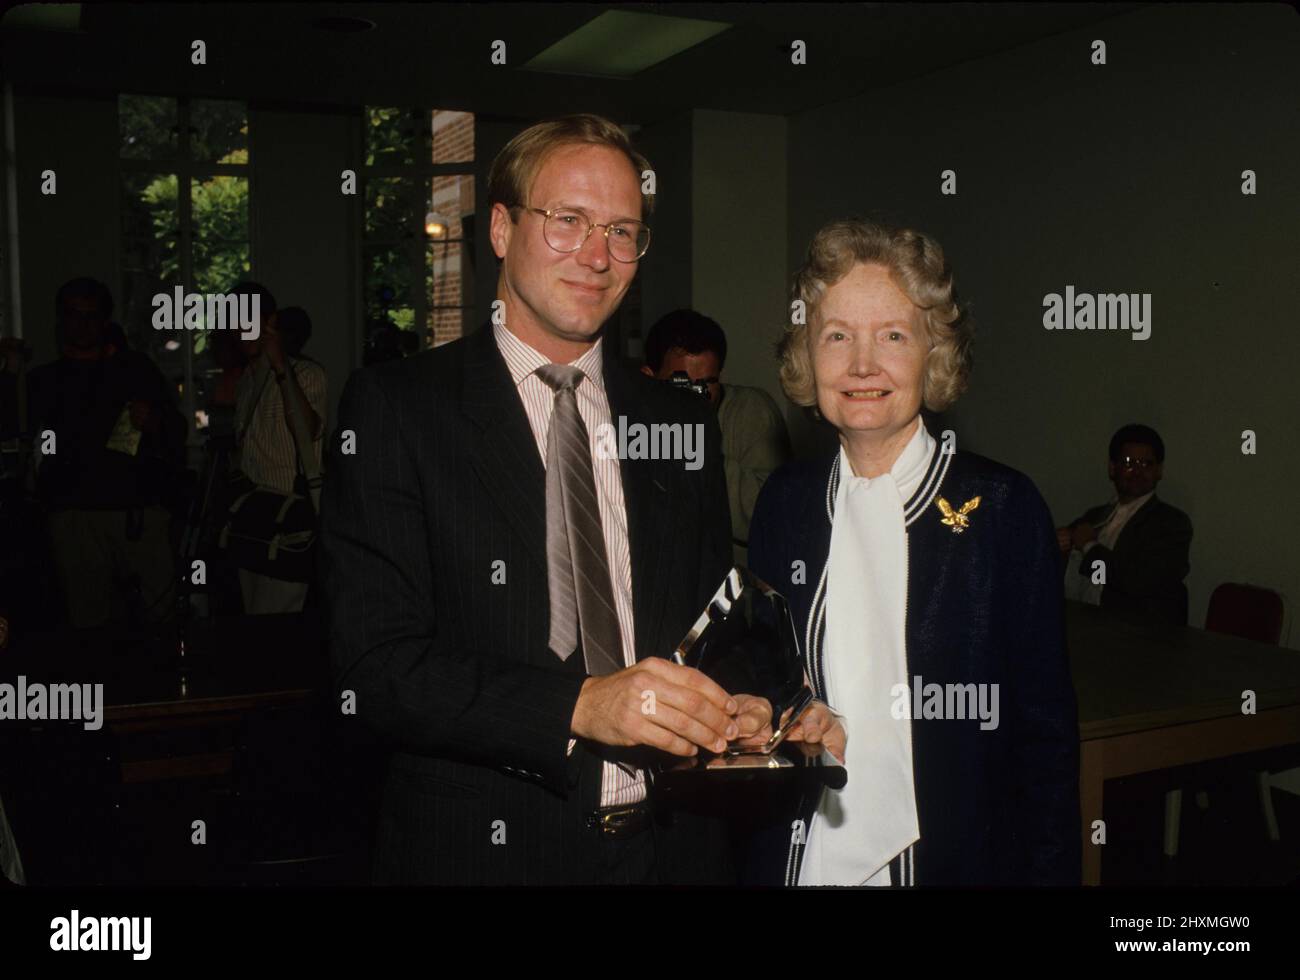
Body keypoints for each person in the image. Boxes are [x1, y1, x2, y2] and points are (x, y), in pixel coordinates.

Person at [319, 114, 773, 885]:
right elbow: (375, 669)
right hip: (487, 850)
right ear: (501, 227)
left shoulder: (678, 419)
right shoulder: (398, 409)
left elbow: (714, 623)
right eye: (568, 221)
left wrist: (746, 697)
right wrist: (579, 705)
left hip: (672, 850)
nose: (598, 255)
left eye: (623, 230)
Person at [745, 219, 1080, 886]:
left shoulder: (1003, 509)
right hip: (802, 855)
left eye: (893, 336)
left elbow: (1044, 737)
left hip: (957, 861)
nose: (862, 365)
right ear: (806, 356)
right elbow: (764, 676)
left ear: (935, 356)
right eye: (836, 335)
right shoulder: (785, 499)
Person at [26, 278, 187, 629]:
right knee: (87, 622)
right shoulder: (43, 381)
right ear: (61, 320)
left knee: (160, 616)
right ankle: (95, 683)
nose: (82, 324)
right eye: (73, 315)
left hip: (137, 513)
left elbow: (177, 431)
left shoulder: (135, 369)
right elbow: (21, 438)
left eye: (90, 315)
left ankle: (160, 682)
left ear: (104, 320)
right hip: (75, 516)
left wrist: (155, 422)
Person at [641, 309, 790, 565]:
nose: (695, 396)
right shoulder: (635, 427)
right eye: (681, 383)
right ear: (648, 379)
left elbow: (775, 520)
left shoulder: (749, 412)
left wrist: (697, 449)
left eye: (707, 382)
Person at [231, 284, 327, 615]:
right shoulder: (244, 381)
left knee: (278, 627)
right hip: (251, 517)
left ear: (269, 321)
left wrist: (280, 366)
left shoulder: (307, 373)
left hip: (290, 521)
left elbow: (310, 429)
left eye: (248, 317)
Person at [1058, 424, 1193, 626]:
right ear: (1113, 468)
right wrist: (1059, 545)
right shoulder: (1095, 516)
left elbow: (1140, 580)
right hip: (1086, 625)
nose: (1137, 471)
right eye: (1129, 462)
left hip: (1140, 637)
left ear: (1159, 470)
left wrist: (1089, 546)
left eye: (1146, 464)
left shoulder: (1172, 523)